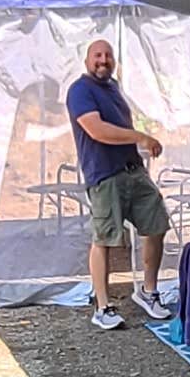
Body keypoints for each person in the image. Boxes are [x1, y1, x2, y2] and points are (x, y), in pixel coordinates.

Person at [63, 36, 169, 330]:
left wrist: (139, 144)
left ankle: (148, 292)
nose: (103, 60)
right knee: (106, 238)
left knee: (157, 224)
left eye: (108, 56)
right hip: (104, 175)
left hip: (133, 170)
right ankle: (103, 305)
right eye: (97, 55)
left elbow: (117, 129)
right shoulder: (80, 90)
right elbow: (97, 131)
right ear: (86, 61)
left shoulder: (112, 89)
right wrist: (140, 137)